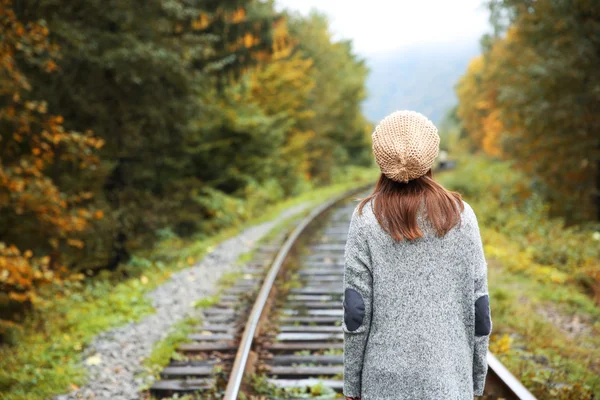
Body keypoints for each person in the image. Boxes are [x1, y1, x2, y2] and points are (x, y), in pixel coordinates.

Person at [342, 111, 492, 400]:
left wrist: (352, 384)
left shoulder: (366, 219)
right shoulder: (462, 216)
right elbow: (480, 311)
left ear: (380, 158)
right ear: (431, 156)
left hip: (383, 382)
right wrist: (474, 380)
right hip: (449, 380)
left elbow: (355, 313)